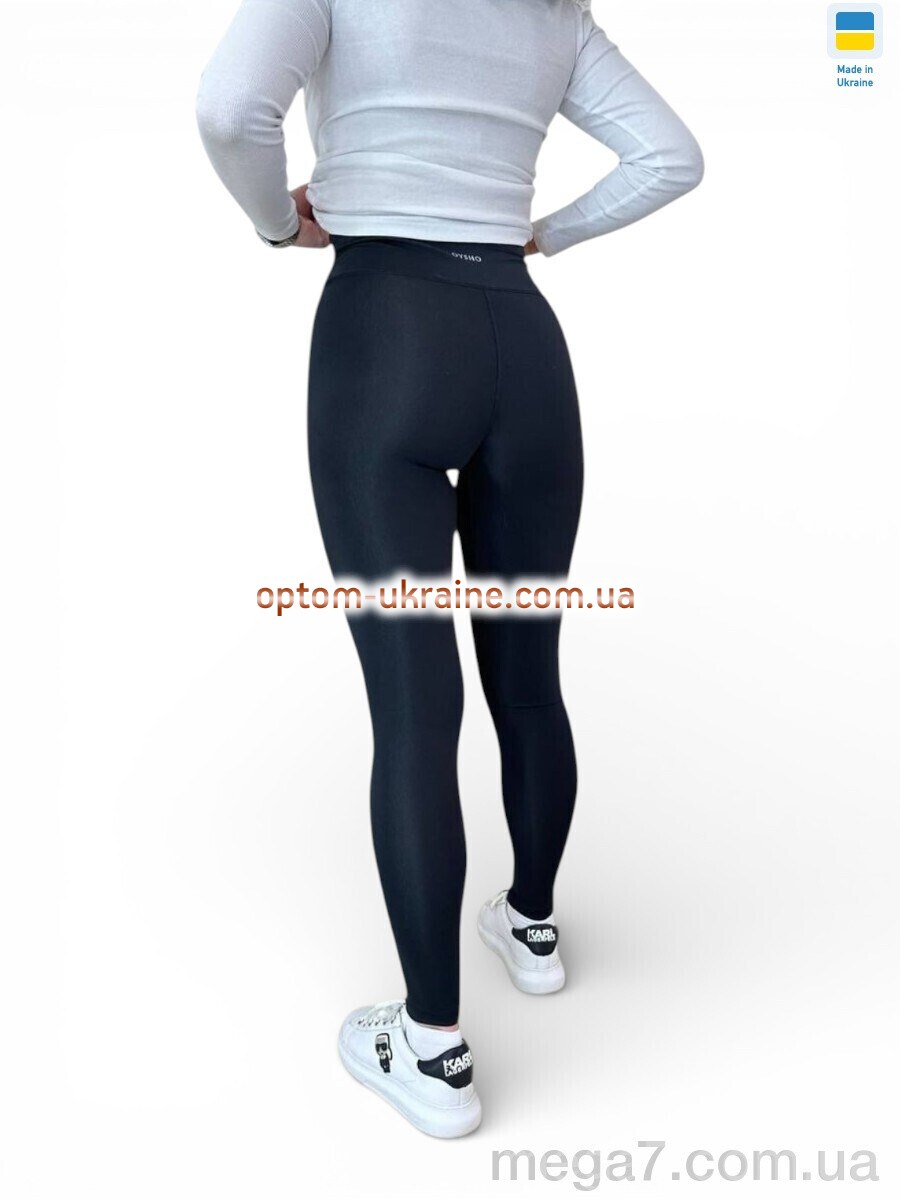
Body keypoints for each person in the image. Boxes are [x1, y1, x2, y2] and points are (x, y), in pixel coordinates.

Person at [196, 0, 703, 1138]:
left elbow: (231, 109)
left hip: (385, 337)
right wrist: (546, 235)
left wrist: (277, 225)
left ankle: (431, 1050)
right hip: (525, 347)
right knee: (530, 678)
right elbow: (672, 157)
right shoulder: (555, 11)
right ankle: (532, 926)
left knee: (417, 710)